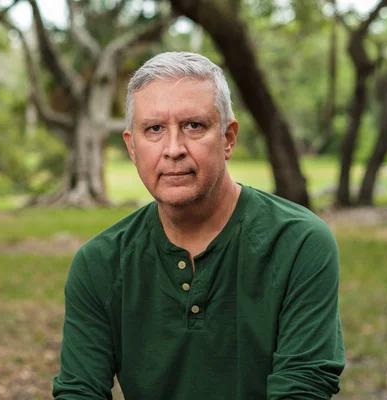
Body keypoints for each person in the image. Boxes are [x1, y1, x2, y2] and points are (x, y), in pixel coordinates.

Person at [52, 51, 345, 399]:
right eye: (155, 129)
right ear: (132, 147)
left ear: (228, 138)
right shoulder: (100, 264)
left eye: (194, 125)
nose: (173, 149)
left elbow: (304, 387)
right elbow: (79, 392)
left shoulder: (298, 243)